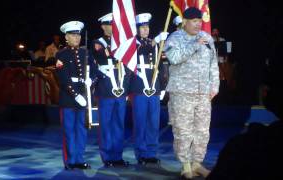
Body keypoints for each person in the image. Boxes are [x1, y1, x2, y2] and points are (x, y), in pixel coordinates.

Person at [164, 7, 220, 179]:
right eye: (194, 21)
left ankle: (197, 163)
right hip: (182, 92)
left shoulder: (207, 38)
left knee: (202, 130)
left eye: (200, 21)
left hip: (203, 93)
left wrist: (214, 87)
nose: (198, 24)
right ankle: (185, 165)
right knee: (183, 130)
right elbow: (174, 58)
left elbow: (213, 65)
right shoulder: (175, 38)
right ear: (185, 22)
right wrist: (194, 46)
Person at [91, 13, 131, 167]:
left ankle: (117, 155)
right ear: (103, 26)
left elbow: (127, 64)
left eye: (114, 25)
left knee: (119, 124)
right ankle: (107, 156)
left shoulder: (121, 42)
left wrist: (125, 87)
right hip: (106, 88)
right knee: (106, 125)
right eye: (109, 25)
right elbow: (102, 55)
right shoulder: (98, 42)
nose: (112, 28)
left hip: (120, 88)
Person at [129, 13, 168, 166]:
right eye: (142, 27)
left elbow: (160, 66)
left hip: (154, 87)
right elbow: (141, 51)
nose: (145, 30)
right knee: (140, 122)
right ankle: (141, 153)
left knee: (153, 122)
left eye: (147, 27)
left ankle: (151, 152)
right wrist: (156, 40)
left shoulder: (155, 43)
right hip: (139, 87)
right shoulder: (133, 44)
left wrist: (162, 87)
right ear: (137, 29)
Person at [56, 20, 94, 170]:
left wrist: (92, 80)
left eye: (78, 35)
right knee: (69, 131)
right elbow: (63, 78)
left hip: (84, 96)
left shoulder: (85, 53)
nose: (77, 38)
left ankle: (79, 159)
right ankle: (70, 161)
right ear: (66, 37)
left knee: (81, 130)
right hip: (68, 99)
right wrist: (75, 95)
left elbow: (95, 70)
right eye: (73, 35)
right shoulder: (61, 54)